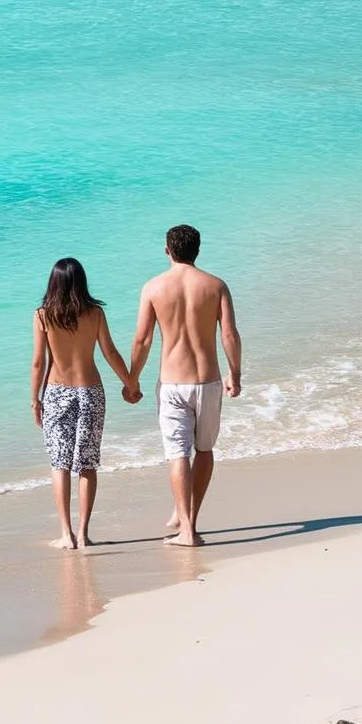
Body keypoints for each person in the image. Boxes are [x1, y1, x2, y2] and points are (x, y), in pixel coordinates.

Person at [128, 225, 242, 548]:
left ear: (167, 250)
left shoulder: (153, 288)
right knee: (204, 450)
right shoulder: (216, 286)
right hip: (208, 381)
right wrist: (236, 373)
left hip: (172, 383)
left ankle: (186, 529)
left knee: (177, 453)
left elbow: (143, 339)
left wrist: (132, 379)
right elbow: (230, 335)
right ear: (198, 250)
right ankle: (190, 517)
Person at [31, 258, 140, 550]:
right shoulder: (95, 313)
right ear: (81, 281)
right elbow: (110, 353)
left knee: (60, 464)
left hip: (56, 393)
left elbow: (39, 362)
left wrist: (34, 400)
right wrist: (131, 384)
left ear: (53, 283)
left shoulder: (43, 316)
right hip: (90, 391)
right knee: (87, 463)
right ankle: (83, 533)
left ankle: (65, 534)